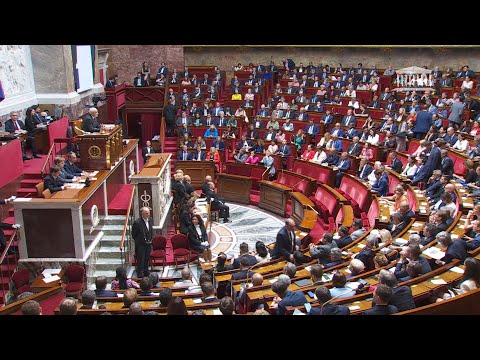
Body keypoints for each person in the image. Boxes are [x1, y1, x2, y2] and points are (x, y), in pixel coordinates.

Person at [131, 207, 153, 278]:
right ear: (142, 213)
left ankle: (146, 271)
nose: (148, 214)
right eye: (146, 213)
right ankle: (140, 273)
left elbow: (150, 230)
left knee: (147, 258)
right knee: (141, 259)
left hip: (148, 244)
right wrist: (140, 241)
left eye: (149, 212)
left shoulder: (150, 220)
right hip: (141, 245)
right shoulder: (137, 222)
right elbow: (134, 234)